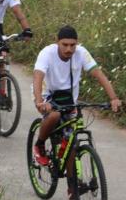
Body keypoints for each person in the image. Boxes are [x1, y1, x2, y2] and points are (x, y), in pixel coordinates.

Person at [32, 26, 121, 171]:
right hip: (46, 94)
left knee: (72, 142)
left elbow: (99, 74)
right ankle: (40, 144)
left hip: (68, 99)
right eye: (65, 45)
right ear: (57, 42)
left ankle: (72, 188)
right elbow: (37, 76)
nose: (69, 49)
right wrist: (39, 101)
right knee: (54, 115)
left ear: (77, 43)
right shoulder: (47, 53)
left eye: (72, 45)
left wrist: (113, 98)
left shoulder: (81, 53)